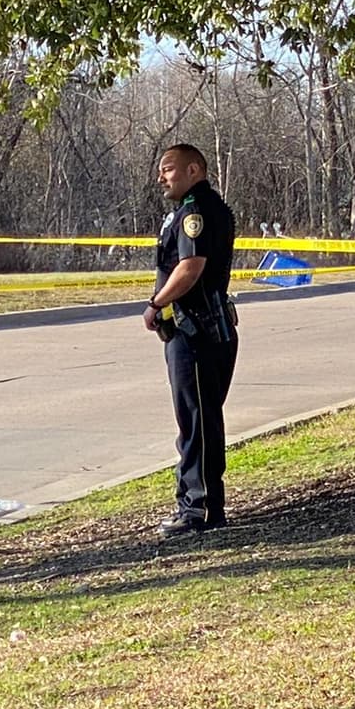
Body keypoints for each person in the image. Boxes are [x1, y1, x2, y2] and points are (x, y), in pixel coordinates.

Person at [143, 143, 239, 536]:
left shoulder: (195, 211)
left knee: (197, 421)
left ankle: (198, 510)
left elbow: (191, 267)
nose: (161, 177)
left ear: (193, 169)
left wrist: (155, 304)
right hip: (199, 330)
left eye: (168, 169)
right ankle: (200, 505)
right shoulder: (198, 207)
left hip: (197, 330)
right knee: (199, 420)